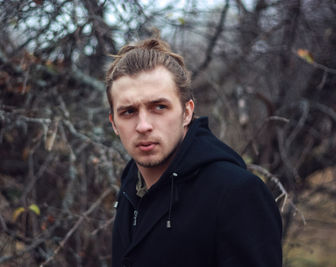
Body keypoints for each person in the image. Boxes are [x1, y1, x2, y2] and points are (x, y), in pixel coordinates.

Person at [105, 38, 282, 267]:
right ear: (114, 124)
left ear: (187, 112)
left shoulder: (236, 193)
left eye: (159, 107)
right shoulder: (131, 187)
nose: (143, 125)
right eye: (128, 112)